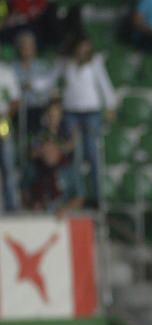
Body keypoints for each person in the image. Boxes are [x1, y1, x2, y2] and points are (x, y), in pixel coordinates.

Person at [60, 37, 116, 205]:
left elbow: (104, 84)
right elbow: (49, 79)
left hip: (91, 111)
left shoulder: (95, 63)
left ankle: (97, 196)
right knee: (74, 155)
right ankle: (78, 195)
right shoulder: (66, 64)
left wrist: (110, 104)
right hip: (71, 112)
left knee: (93, 154)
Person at [27, 99, 83, 214]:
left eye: (56, 115)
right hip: (43, 172)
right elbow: (32, 152)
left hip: (61, 172)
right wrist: (43, 151)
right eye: (51, 115)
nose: (53, 118)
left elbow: (68, 150)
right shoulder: (40, 134)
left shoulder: (65, 133)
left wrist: (59, 148)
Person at [12, 31, 56, 134]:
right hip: (19, 110)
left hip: (40, 108)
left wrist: (32, 86)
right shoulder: (12, 68)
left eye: (29, 46)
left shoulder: (42, 67)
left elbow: (48, 87)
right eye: (23, 45)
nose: (26, 49)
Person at [0, 59, 20, 211]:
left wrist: (7, 116)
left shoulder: (6, 72)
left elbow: (15, 100)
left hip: (2, 122)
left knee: (8, 163)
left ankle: (11, 205)